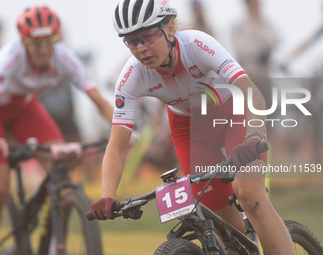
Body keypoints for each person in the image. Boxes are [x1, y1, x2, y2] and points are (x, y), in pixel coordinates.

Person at [91, 0, 295, 254]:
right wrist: (107, 194)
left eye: (147, 37)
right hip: (190, 131)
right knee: (221, 226)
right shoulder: (131, 77)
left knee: (250, 197)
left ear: (171, 28)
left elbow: (252, 94)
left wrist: (253, 135)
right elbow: (118, 144)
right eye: (132, 42)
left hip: (233, 114)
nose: (141, 49)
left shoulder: (198, 44)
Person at [0, 5, 113, 222]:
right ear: (24, 42)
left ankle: (54, 243)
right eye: (36, 44)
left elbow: (98, 99)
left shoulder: (64, 57)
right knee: (2, 189)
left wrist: (124, 130)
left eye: (49, 42)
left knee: (61, 170)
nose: (44, 50)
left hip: (25, 108)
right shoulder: (9, 58)